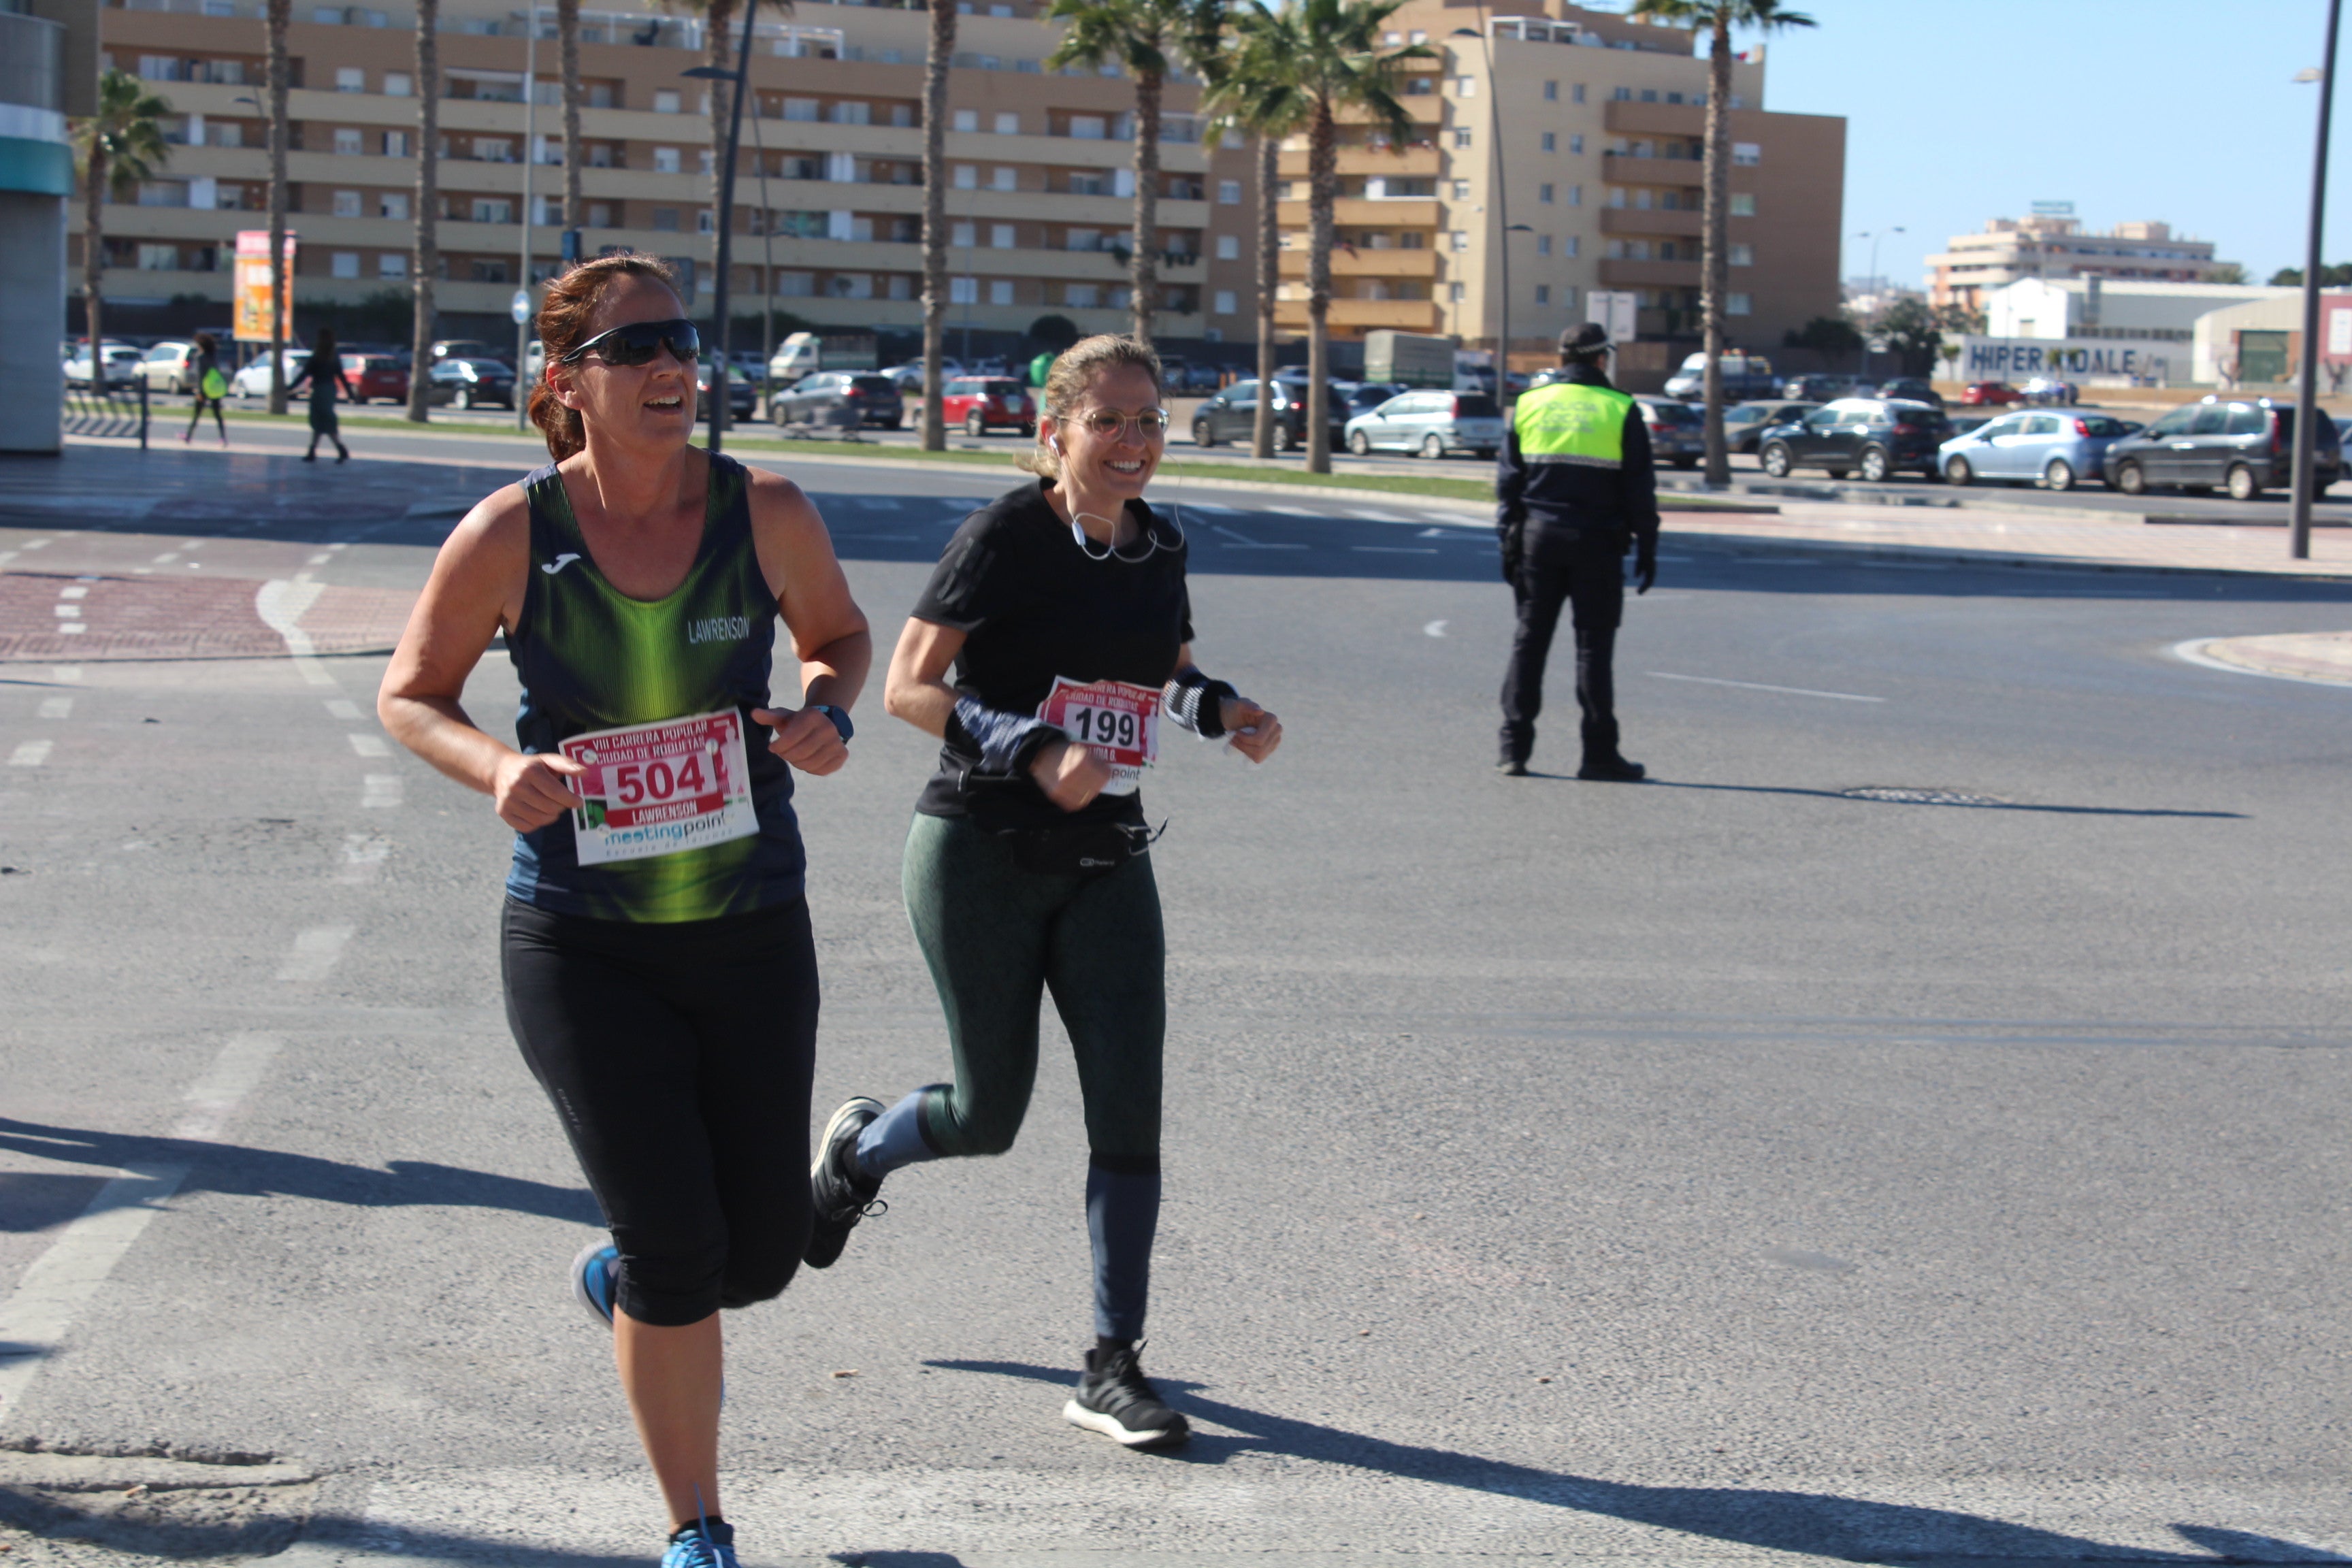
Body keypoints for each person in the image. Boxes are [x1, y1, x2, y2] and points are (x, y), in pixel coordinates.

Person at [377, 252, 871, 1568]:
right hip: (580, 941)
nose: (671, 367)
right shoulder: (509, 533)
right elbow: (410, 692)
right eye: (636, 345)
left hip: (751, 923)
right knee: (674, 1245)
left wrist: (824, 708)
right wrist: (498, 767)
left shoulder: (760, 506)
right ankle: (695, 1524)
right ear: (567, 383)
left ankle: (627, 1284)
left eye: (683, 340)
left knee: (755, 1258)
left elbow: (839, 634)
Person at [804, 334, 1282, 1452]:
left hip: (1108, 849)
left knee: (1130, 1098)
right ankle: (858, 1153)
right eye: (1109, 420)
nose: (1134, 441)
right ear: (1054, 433)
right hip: (980, 845)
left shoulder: (1159, 542)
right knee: (989, 1113)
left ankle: (1113, 1361)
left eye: (1151, 420)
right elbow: (913, 687)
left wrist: (1224, 710)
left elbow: (1162, 671)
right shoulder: (1006, 534)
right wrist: (1028, 745)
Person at [1493, 321, 1659, 781]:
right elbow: (1639, 489)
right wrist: (1648, 545)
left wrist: (1507, 537)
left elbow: (1508, 483)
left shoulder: (1530, 404)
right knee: (1593, 650)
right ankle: (1599, 754)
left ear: (1563, 357)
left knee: (1529, 643)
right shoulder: (1621, 408)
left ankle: (1514, 749)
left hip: (1538, 539)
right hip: (1598, 544)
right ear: (1601, 358)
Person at [288, 327, 357, 463]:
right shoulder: (333, 355)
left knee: (323, 420)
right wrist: (350, 394)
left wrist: (290, 387)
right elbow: (341, 375)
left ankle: (339, 449)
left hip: (320, 390)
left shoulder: (319, 356)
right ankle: (315, 451)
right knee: (321, 421)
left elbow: (305, 373)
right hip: (329, 390)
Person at [182, 331, 228, 446]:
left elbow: (201, 375)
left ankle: (189, 436)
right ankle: (223, 438)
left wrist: (199, 391)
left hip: (204, 388)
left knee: (197, 414)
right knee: (217, 414)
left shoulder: (200, 357)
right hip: (214, 387)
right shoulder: (213, 356)